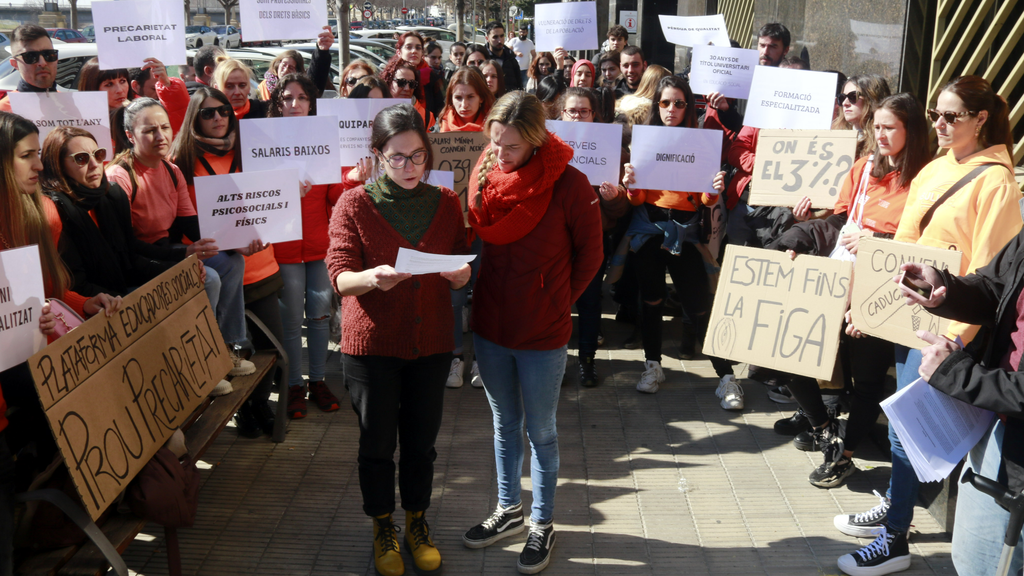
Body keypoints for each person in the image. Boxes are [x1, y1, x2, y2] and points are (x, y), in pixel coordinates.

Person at [836, 76, 1022, 576]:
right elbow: (902, 244)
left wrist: (953, 344)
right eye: (936, 114)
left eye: (951, 116)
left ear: (981, 119)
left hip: (946, 330)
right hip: (913, 313)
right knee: (903, 425)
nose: (938, 124)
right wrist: (870, 306)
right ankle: (899, 507)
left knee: (907, 431)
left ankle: (894, 537)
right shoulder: (937, 167)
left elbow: (989, 274)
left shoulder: (995, 182)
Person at [461, 91, 602, 574]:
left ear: (537, 142)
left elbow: (591, 255)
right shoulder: (484, 174)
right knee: (504, 425)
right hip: (492, 325)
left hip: (543, 331)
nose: (500, 154)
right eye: (495, 142)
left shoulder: (569, 184)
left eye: (512, 148)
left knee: (541, 430)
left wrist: (558, 300)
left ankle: (543, 521)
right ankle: (509, 510)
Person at [326, 103, 469, 576]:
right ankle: (381, 524)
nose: (410, 167)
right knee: (376, 444)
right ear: (377, 156)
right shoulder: (354, 203)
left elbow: (460, 265)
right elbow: (339, 277)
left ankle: (417, 520)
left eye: (418, 156)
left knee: (422, 443)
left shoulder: (446, 203)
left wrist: (460, 275)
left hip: (430, 344)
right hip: (372, 346)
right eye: (398, 158)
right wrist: (371, 277)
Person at [770, 93, 931, 490]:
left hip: (884, 293)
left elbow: (925, 244)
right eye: (876, 126)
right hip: (838, 283)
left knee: (867, 381)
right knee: (786, 354)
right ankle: (825, 431)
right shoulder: (862, 168)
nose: (880, 135)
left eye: (890, 127)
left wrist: (877, 242)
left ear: (911, 130)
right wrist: (799, 237)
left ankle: (845, 455)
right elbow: (839, 220)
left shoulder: (925, 179)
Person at [0, 111, 123, 576]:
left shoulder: (39, 212)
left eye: (37, 155)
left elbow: (49, 288)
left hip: (36, 346)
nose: (38, 167)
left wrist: (82, 302)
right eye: (27, 157)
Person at [106, 98, 255, 383]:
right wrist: (186, 253)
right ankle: (202, 359)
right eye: (150, 130)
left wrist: (236, 241)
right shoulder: (120, 177)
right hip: (139, 260)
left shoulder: (172, 172)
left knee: (232, 261)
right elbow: (125, 247)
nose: (160, 136)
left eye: (165, 127)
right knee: (208, 277)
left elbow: (193, 225)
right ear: (129, 136)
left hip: (168, 250)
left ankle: (229, 344)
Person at [169, 86, 279, 438]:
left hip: (260, 265)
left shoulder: (252, 150)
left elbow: (270, 198)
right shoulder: (179, 161)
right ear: (193, 118)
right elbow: (182, 224)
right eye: (207, 113)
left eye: (223, 112)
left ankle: (258, 404)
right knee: (232, 347)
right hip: (217, 266)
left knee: (266, 348)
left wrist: (290, 192)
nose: (218, 117)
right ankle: (242, 411)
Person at [621, 76, 735, 404]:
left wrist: (714, 190)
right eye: (665, 103)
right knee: (652, 300)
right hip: (649, 230)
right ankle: (652, 364)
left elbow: (703, 200)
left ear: (689, 107)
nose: (672, 109)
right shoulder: (645, 141)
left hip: (686, 233)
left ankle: (726, 375)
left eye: (679, 103)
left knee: (699, 304)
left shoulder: (701, 143)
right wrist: (630, 183)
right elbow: (636, 198)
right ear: (656, 106)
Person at [266, 74, 344, 419]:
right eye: (287, 98)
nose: (294, 104)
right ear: (277, 103)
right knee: (289, 317)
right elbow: (258, 196)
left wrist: (351, 178)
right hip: (282, 247)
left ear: (312, 103)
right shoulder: (262, 141)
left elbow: (336, 198)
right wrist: (283, 189)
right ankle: (293, 384)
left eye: (301, 97)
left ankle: (318, 380)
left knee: (319, 314)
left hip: (318, 246)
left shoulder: (323, 142)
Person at [40, 126, 178, 298]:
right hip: (98, 302)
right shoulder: (56, 210)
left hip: (124, 287)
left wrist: (180, 266)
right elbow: (75, 283)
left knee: (205, 277)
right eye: (81, 159)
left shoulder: (111, 194)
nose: (94, 165)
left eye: (98, 155)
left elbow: (129, 255)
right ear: (58, 166)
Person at [561, 87, 630, 387]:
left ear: (594, 114)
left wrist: (613, 196)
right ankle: (556, 361)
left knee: (590, 301)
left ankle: (587, 361)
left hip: (593, 239)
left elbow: (620, 208)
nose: (577, 116)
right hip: (556, 241)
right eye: (571, 111)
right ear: (561, 114)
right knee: (559, 304)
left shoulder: (608, 148)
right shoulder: (546, 146)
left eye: (584, 111)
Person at [436, 67, 493, 388]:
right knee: (455, 298)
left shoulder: (494, 133)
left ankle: (482, 362)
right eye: (457, 97)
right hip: (452, 230)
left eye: (470, 96)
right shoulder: (436, 131)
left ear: (482, 96)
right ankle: (455, 359)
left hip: (485, 228)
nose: (464, 103)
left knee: (484, 295)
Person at [382, 32, 443, 128]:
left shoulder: (431, 75)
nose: (414, 51)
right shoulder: (387, 79)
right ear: (398, 52)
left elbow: (439, 106)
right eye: (409, 47)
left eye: (418, 48)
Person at [255, 26, 335, 99]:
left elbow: (316, 78)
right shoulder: (263, 87)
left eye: (291, 67)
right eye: (284, 65)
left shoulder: (302, 89)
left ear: (297, 72)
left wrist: (322, 51)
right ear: (278, 65)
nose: (286, 69)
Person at [832, 75, 893, 159]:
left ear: (871, 99)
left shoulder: (884, 140)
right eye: (842, 98)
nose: (845, 103)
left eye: (853, 97)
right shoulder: (834, 135)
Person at [0, 24, 58, 112]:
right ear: (15, 64)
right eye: (30, 57)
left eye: (49, 54)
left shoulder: (70, 104)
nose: (42, 63)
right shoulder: (3, 113)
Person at [127, 59, 191, 135]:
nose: (160, 93)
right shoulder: (124, 115)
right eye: (154, 89)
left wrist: (168, 85)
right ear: (135, 86)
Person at [482, 22, 523, 91]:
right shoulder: (482, 58)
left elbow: (519, 85)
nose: (499, 41)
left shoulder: (511, 59)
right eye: (495, 37)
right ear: (487, 38)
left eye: (501, 36)